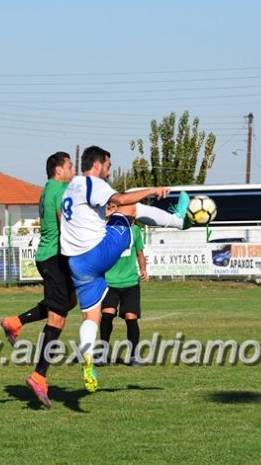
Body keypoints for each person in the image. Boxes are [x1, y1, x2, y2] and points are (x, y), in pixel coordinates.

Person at [60, 145, 193, 393]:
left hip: (76, 263)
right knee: (130, 207)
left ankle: (88, 359)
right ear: (97, 165)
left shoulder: (72, 186)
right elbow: (121, 200)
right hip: (97, 253)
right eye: (108, 167)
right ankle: (179, 220)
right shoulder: (92, 182)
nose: (109, 173)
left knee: (91, 317)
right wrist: (154, 190)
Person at [0, 151, 76, 408]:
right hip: (54, 258)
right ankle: (39, 376)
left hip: (49, 257)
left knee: (67, 303)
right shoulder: (60, 191)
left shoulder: (47, 189)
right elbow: (64, 224)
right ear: (59, 171)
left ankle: (15, 322)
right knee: (58, 316)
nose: (72, 170)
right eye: (70, 166)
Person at [99, 214, 147, 367]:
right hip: (109, 282)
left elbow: (139, 252)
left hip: (130, 282)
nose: (132, 218)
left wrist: (143, 269)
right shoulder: (105, 230)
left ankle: (133, 356)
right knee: (107, 315)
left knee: (131, 317)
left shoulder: (136, 231)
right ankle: (103, 354)